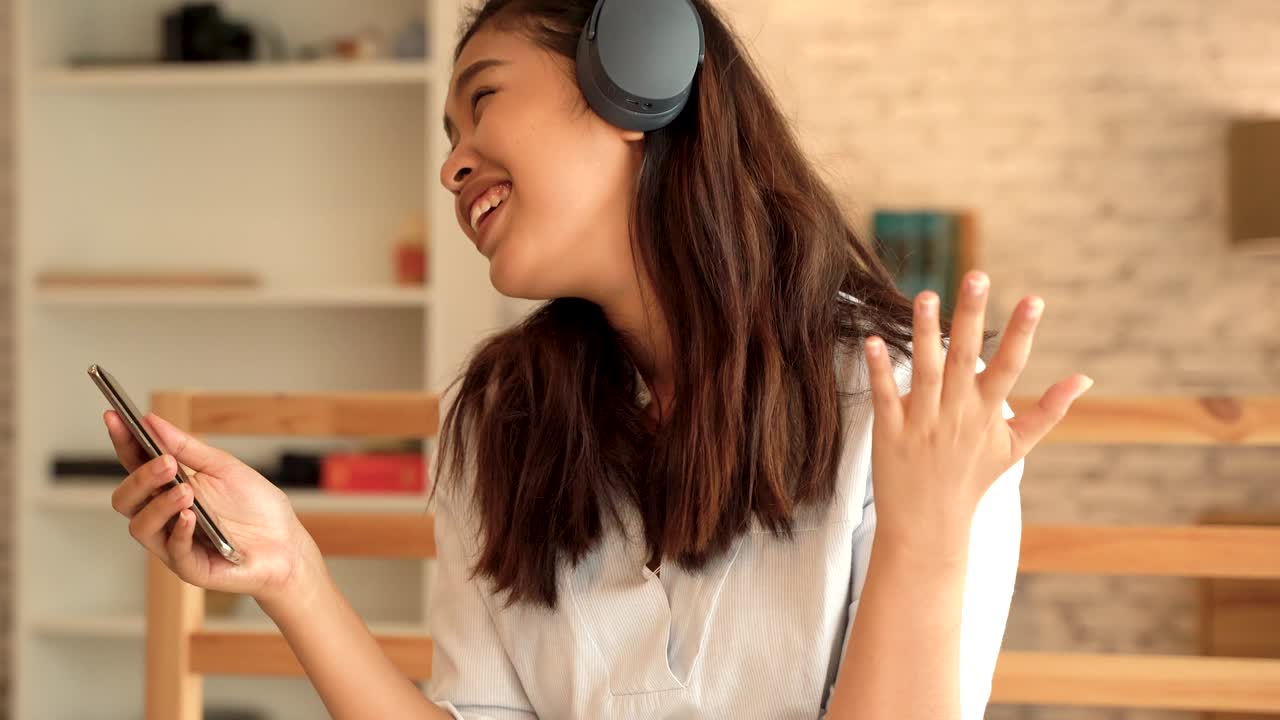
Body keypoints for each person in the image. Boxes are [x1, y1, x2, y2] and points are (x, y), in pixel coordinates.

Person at [103, 0, 1093, 718]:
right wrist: (292, 575)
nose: (449, 166)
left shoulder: (904, 408)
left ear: (639, 77)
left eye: (481, 103)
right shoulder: (503, 422)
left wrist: (924, 539)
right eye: (448, 135)